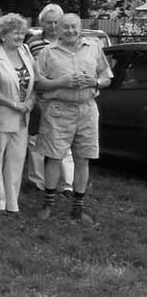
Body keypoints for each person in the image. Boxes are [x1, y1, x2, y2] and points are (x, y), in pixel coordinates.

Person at [33, 13, 112, 224]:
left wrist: (94, 81)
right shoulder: (48, 53)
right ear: (58, 29)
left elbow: (107, 77)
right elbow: (38, 84)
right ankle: (48, 204)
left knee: (83, 158)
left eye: (74, 27)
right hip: (58, 109)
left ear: (80, 27)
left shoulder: (93, 47)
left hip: (87, 110)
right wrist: (62, 82)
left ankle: (78, 207)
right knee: (54, 157)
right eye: (65, 27)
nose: (70, 31)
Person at [0, 13, 35, 215]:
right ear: (3, 34)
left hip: (23, 116)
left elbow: (34, 80)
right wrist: (13, 103)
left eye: (22, 32)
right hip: (1, 113)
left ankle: (12, 203)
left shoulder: (25, 50)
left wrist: (30, 101)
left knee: (16, 159)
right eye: (16, 32)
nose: (20, 36)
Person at [26, 4, 76, 195]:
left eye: (57, 22)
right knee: (35, 141)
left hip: (64, 98)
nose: (53, 26)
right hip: (40, 99)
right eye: (49, 22)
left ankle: (67, 184)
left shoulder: (70, 42)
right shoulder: (33, 43)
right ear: (42, 23)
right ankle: (37, 181)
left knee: (64, 141)